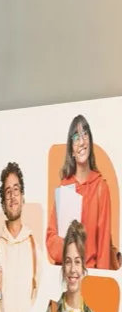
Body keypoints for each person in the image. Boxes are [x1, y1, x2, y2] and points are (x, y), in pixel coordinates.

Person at [47, 114, 119, 270]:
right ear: (71, 150)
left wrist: (99, 282)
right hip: (68, 276)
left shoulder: (100, 187)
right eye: (76, 137)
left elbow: (103, 246)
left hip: (91, 276)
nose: (82, 141)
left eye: (85, 134)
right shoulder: (65, 187)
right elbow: (51, 240)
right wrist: (68, 247)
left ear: (90, 143)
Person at [0, 162, 39, 312]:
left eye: (16, 189)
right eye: (8, 192)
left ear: (22, 197)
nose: (13, 196)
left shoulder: (34, 246)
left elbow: (39, 300)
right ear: (3, 204)